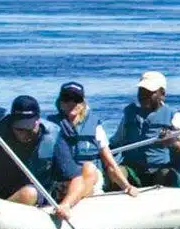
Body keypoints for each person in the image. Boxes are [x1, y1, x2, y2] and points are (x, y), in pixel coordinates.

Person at [48, 81, 133, 217]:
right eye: (66, 99)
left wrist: (127, 186)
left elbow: (109, 163)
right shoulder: (51, 126)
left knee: (88, 167)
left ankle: (67, 205)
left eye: (76, 100)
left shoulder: (95, 127)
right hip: (63, 180)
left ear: (82, 104)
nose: (71, 103)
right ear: (60, 103)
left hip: (90, 179)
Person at [111, 71, 180, 188]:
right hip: (133, 171)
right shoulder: (129, 115)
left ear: (162, 94)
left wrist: (174, 144)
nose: (143, 96)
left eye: (149, 93)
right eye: (141, 91)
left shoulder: (175, 117)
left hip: (160, 171)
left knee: (167, 175)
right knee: (116, 172)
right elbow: (115, 143)